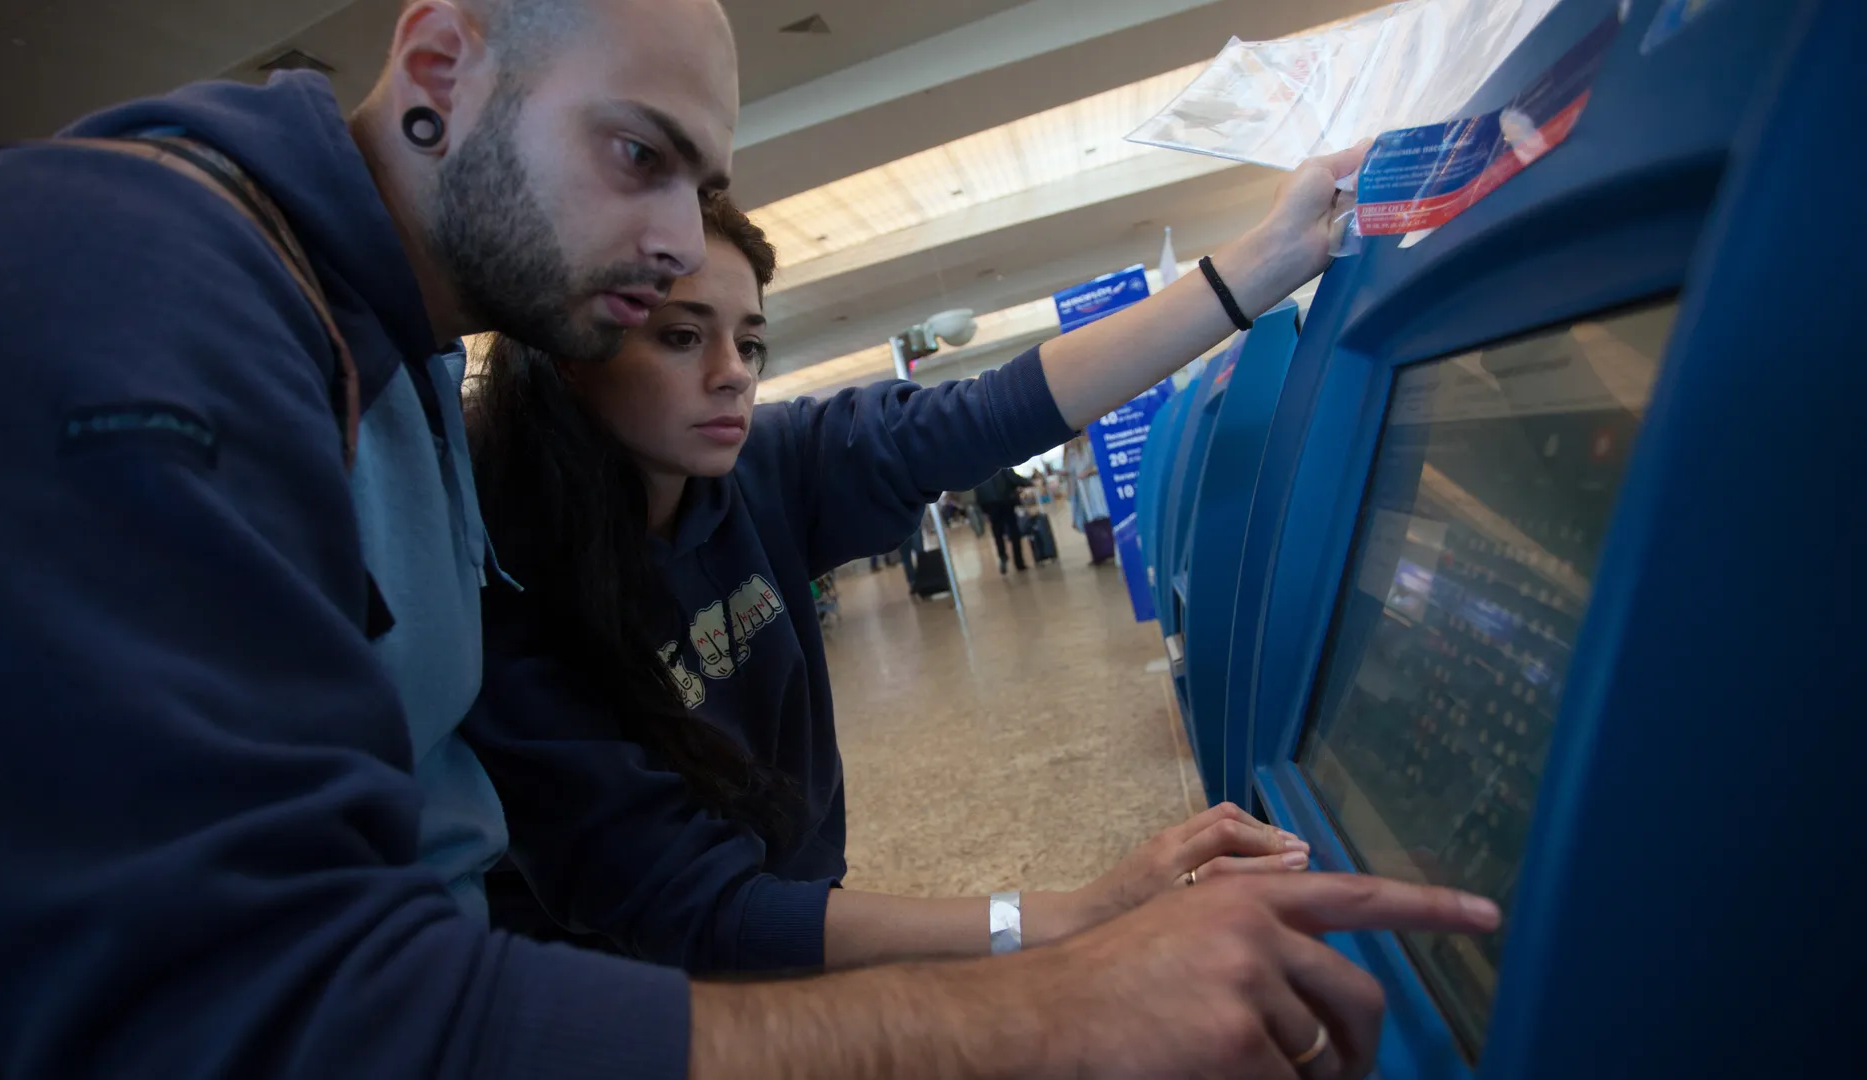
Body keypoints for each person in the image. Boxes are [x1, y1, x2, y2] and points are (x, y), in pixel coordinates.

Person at [0, 0, 1501, 1074]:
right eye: (637, 156)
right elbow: (269, 1018)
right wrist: (1048, 999)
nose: (679, 241)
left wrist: (1261, 260)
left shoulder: (399, 354)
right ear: (436, 63)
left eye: (704, 187)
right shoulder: (138, 286)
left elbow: (978, 414)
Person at [463, 161, 1412, 982]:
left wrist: (1268, 260)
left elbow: (992, 411)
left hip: (786, 933)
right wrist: (1069, 915)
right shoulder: (501, 585)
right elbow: (698, 911)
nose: (732, 373)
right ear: (573, 352)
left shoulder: (761, 468)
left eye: (748, 341)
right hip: (618, 1008)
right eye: (681, 335)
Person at [1065, 431, 1114, 564]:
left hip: (1094, 491)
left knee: (1103, 519)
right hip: (1083, 495)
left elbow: (1102, 466)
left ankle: (1109, 549)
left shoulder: (1090, 448)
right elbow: (1071, 473)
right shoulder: (1072, 455)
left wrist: (1087, 473)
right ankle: (1099, 553)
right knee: (1091, 523)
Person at [975, 466, 1033, 573]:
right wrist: (1029, 482)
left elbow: (978, 490)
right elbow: (1014, 479)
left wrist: (983, 507)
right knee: (1014, 532)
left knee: (998, 533)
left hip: (989, 504)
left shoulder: (978, 468)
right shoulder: (1000, 462)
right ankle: (1019, 562)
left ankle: (1002, 556)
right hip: (1006, 501)